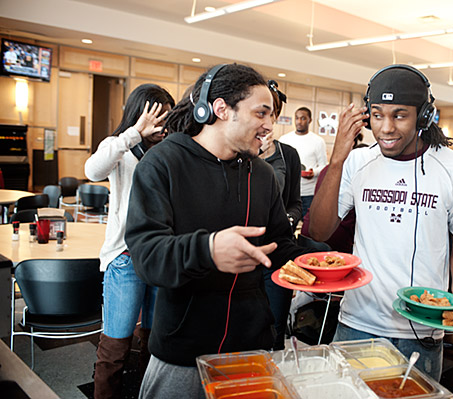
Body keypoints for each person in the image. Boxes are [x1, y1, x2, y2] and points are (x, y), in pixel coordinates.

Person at [124, 64, 307, 398]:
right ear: (221, 109)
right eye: (261, 113)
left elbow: (279, 243)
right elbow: (148, 256)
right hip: (182, 351)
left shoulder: (262, 174)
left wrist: (322, 262)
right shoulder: (163, 163)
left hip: (249, 347)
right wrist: (207, 249)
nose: (270, 125)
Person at [308, 64, 453, 380]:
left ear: (424, 116)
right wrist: (336, 161)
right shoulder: (357, 162)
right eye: (377, 115)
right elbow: (319, 231)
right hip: (356, 322)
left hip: (421, 326)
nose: (386, 127)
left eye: (399, 115)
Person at [85, 84, 174, 398]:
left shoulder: (170, 152)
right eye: (155, 118)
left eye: (166, 118)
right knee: (116, 343)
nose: (160, 126)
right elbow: (93, 170)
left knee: (153, 340)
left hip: (161, 257)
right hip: (125, 258)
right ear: (139, 115)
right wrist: (135, 132)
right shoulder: (121, 149)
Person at [260, 80, 303, 350]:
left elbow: (296, 203)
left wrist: (287, 219)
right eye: (260, 112)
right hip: (241, 257)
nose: (266, 120)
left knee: (274, 328)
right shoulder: (235, 153)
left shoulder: (289, 155)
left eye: (271, 113)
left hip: (277, 252)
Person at [279, 106, 327, 217]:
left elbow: (324, 166)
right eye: (297, 118)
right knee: (286, 227)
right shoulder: (284, 140)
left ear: (309, 120)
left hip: (309, 194)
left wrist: (313, 172)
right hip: (289, 193)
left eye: (303, 118)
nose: (299, 121)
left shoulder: (318, 141)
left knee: (308, 229)